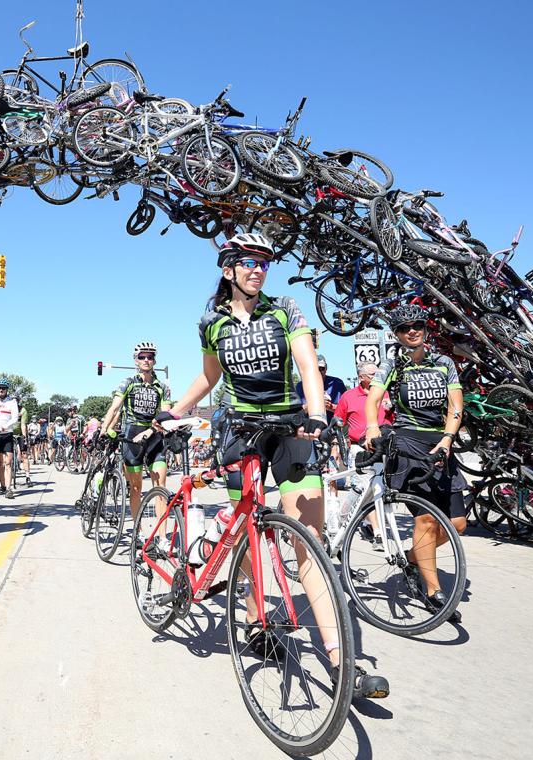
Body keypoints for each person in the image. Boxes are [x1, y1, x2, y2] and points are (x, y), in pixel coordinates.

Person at [162, 232, 388, 700]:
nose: (258, 269)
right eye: (249, 261)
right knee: (247, 534)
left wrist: (316, 414)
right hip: (239, 431)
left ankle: (343, 663)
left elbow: (307, 365)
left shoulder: (285, 308)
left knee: (310, 542)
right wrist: (175, 411)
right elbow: (209, 376)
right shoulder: (211, 322)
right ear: (228, 269)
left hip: (289, 428)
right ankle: (254, 618)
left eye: (264, 262)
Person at [364, 303, 466, 622]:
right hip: (408, 444)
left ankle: (412, 557)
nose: (412, 331)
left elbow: (455, 405)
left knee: (457, 524)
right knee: (426, 520)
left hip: (441, 444)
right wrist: (372, 426)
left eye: (417, 325)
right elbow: (374, 398)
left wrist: (447, 439)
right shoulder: (393, 364)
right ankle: (434, 592)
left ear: (425, 329)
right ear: (397, 334)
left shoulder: (444, 363)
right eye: (405, 328)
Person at [100, 341, 171, 523]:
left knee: (160, 487)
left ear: (154, 361)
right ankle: (137, 531)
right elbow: (115, 408)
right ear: (136, 360)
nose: (146, 360)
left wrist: (153, 430)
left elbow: (165, 415)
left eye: (150, 357)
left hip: (154, 436)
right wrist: (104, 429)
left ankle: (162, 536)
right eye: (142, 357)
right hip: (132, 435)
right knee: (136, 488)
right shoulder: (128, 382)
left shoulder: (162, 387)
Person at [332, 362, 394, 547]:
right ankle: (378, 531)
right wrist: (335, 445)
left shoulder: (386, 393)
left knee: (379, 487)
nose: (378, 376)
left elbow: (395, 418)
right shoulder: (349, 396)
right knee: (367, 486)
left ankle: (349, 516)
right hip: (360, 448)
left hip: (385, 447)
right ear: (361, 377)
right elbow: (338, 422)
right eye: (373, 374)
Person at [0, 377, 24, 497]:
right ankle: (3, 486)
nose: (1, 390)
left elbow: (15, 418)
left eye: (3, 388)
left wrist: (5, 426)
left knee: (8, 462)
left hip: (7, 434)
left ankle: (9, 489)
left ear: (7, 389)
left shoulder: (12, 402)